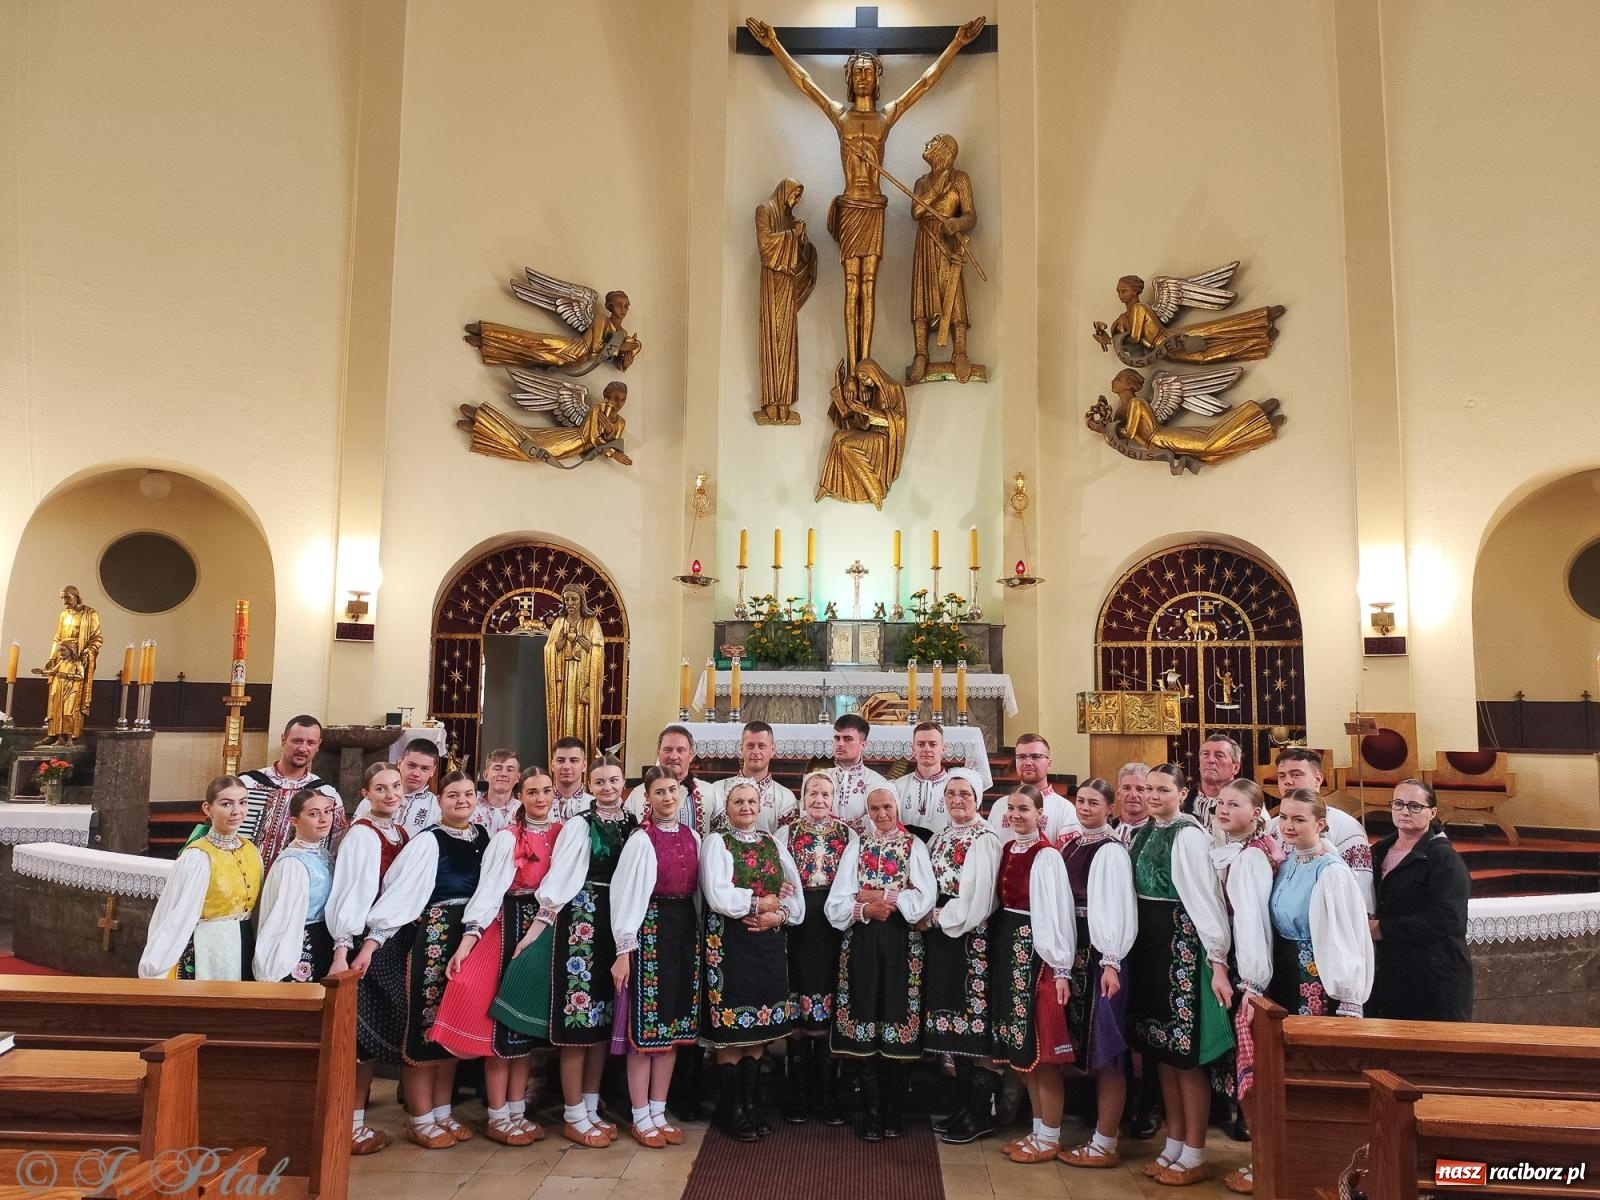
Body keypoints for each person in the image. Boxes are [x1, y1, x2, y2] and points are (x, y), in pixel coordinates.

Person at [350, 772, 491, 1149]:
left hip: (471, 938)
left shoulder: (483, 836)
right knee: (425, 1029)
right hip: (433, 939)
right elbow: (400, 894)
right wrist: (372, 942)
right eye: (452, 795)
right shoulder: (429, 841)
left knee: (451, 1031)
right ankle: (420, 1118)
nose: (462, 801)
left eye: (467, 794)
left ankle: (443, 1113)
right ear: (438, 799)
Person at [432, 766, 564, 1146]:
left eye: (546, 792)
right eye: (533, 792)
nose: (540, 799)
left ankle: (517, 1111)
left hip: (542, 929)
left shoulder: (561, 834)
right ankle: (497, 1115)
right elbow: (489, 892)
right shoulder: (508, 838)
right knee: (500, 1027)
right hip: (505, 927)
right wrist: (468, 941)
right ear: (520, 796)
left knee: (524, 1032)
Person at [520, 755, 637, 1148]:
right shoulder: (579, 824)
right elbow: (562, 875)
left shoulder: (632, 823)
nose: (607, 788)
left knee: (601, 1021)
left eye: (614, 781)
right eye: (600, 782)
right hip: (583, 922)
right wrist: (541, 922)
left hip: (617, 920)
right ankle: (572, 1113)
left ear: (623, 784)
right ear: (592, 783)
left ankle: (590, 1106)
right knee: (578, 1019)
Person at [1127, 764, 1233, 1187]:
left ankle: (1195, 1151)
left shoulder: (1187, 834)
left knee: (1186, 1058)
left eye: (1163, 789)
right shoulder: (1145, 830)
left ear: (1183, 793)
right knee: (1162, 1054)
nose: (1153, 795)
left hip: (1181, 947)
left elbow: (1203, 900)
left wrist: (1217, 958)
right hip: (1150, 947)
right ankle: (1173, 1144)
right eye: (1149, 789)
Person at [827, 786, 935, 1141]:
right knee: (863, 1019)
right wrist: (864, 908)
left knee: (897, 1017)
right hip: (862, 942)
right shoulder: (857, 846)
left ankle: (894, 1111)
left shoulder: (913, 846)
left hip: (902, 945)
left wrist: (878, 894)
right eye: (874, 808)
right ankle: (873, 1112)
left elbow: (923, 900)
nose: (882, 813)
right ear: (868, 811)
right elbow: (836, 904)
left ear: (897, 806)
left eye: (887, 806)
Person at [701, 780, 805, 1141]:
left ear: (760, 806)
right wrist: (760, 904)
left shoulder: (771, 842)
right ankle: (732, 1110)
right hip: (731, 944)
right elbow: (718, 894)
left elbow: (795, 894)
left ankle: (751, 1105)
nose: (746, 807)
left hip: (768, 946)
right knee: (733, 1030)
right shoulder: (717, 842)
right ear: (726, 808)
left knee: (760, 1026)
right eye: (738, 802)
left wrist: (780, 915)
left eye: (751, 801)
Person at [983, 785, 1076, 1164]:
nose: (1017, 815)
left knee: (1042, 1049)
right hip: (1009, 947)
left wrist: (1059, 968)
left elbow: (1055, 914)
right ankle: (1037, 1130)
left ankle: (1050, 1134)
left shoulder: (1047, 855)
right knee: (1023, 1051)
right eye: (1012, 809)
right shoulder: (1009, 849)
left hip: (1036, 953)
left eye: (1024, 809)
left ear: (1041, 814)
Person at [610, 767, 702, 1149]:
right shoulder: (640, 840)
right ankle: (639, 1113)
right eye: (659, 792)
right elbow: (625, 895)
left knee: (673, 1028)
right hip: (650, 931)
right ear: (647, 798)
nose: (667, 797)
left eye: (673, 790)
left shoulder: (693, 836)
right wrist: (623, 950)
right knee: (646, 1031)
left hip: (683, 931)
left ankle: (659, 1109)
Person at [1057, 779, 1138, 1170]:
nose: (1085, 807)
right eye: (1080, 800)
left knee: (1108, 1049)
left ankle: (1106, 1141)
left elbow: (1118, 907)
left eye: (1094, 802)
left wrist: (1111, 959)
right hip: (1076, 951)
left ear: (1111, 808)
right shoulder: (1074, 843)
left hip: (1103, 954)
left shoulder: (1110, 850)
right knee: (1083, 1044)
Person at [331, 761, 411, 1156]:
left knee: (371, 1040)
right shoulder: (362, 836)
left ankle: (356, 1122)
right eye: (381, 788)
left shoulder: (399, 831)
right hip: (364, 940)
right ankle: (348, 1125)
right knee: (357, 1041)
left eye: (396, 786)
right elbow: (352, 893)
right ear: (365, 794)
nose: (391, 794)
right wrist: (345, 948)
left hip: (388, 941)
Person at [1209, 779, 1283, 1195]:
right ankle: (1259, 1160)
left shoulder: (1252, 857)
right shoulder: (1238, 849)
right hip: (1241, 966)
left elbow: (1252, 923)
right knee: (1244, 1069)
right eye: (1220, 803)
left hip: (1252, 972)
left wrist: (1251, 984)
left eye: (1234, 804)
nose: (1223, 810)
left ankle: (1264, 1162)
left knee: (1254, 1072)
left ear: (1256, 813)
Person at [920, 769, 1001, 1145]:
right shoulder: (940, 836)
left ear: (978, 798)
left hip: (971, 937)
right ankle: (964, 1108)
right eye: (951, 793)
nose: (956, 800)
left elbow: (979, 899)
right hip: (943, 939)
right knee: (955, 1026)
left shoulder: (984, 839)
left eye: (964, 794)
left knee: (976, 1025)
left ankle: (980, 1114)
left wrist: (938, 918)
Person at [776, 772, 856, 1125]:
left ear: (834, 798)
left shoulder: (848, 835)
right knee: (797, 1003)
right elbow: (777, 874)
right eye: (813, 793)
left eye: (825, 793)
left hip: (831, 925)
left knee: (827, 1003)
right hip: (798, 924)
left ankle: (826, 1095)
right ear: (802, 795)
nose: (819, 799)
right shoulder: (786, 833)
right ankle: (797, 1093)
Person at [1369, 779, 1472, 1022]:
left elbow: (1450, 919)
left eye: (1415, 806)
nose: (1405, 811)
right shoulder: (1377, 852)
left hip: (1433, 975)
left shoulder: (1443, 859)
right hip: (1389, 972)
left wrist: (1383, 928)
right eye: (1398, 804)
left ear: (1432, 812)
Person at [140, 775, 261, 981]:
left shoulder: (251, 850)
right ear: (208, 809)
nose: (236, 811)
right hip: (209, 947)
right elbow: (178, 914)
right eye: (226, 804)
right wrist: (156, 964)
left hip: (245, 943)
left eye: (243, 802)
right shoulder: (198, 856)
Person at [1268, 789, 1374, 1022]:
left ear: (1320, 824)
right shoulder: (1287, 865)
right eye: (1283, 817)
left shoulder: (1331, 872)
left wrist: (1349, 997)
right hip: (1284, 972)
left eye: (1299, 819)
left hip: (1317, 975)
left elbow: (1346, 936)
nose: (1288, 825)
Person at [237, 715, 347, 870]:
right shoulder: (247, 783)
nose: (303, 748)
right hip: (245, 876)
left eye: (311, 743)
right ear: (283, 740)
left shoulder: (327, 794)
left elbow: (335, 847)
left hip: (298, 879)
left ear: (318, 746)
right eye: (297, 741)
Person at [252, 788, 338, 983]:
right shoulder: (293, 863)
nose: (324, 819)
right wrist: (270, 972)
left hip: (323, 941)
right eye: (314, 814)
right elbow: (280, 920)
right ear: (295, 821)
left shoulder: (323, 854)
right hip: (299, 945)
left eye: (328, 811)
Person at [1271, 749, 1374, 911]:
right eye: (1282, 776)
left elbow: (1361, 889)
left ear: (1318, 779)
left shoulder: (1346, 827)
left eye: (1296, 774)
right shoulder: (1272, 827)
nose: (1287, 781)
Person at [754, 177, 818, 425]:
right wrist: (793, 235)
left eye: (799, 197)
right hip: (772, 283)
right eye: (795, 195)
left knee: (788, 341)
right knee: (773, 338)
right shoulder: (764, 211)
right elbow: (765, 245)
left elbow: (802, 257)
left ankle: (785, 401)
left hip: (788, 285)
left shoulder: (791, 220)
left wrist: (802, 240)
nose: (796, 201)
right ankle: (771, 401)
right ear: (784, 192)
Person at [34, 585, 102, 745]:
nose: (65, 602)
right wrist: (52, 657)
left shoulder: (90, 614)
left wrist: (87, 652)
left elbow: (97, 638)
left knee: (71, 704)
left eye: (67, 597)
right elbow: (58, 638)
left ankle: (70, 735)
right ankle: (53, 733)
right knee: (55, 698)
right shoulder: (63, 615)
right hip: (61, 659)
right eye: (63, 598)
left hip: (77, 660)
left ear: (76, 596)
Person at [702, 721, 796, 834]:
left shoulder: (785, 797)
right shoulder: (717, 790)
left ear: (772, 750)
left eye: (762, 746)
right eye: (750, 746)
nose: (756, 752)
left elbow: (785, 842)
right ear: (741, 749)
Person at [987, 734, 1080, 844]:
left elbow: (1069, 857)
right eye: (1021, 757)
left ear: (1049, 763)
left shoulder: (1064, 809)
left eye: (1036, 756)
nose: (1027, 762)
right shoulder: (999, 806)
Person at [626, 725, 706, 831]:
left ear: (691, 755)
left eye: (680, 750)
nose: (673, 757)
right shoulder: (637, 794)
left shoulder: (710, 793)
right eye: (667, 750)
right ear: (658, 753)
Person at [354, 738, 441, 835]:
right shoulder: (373, 798)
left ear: (433, 771)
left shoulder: (436, 807)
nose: (416, 773)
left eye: (424, 769)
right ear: (400, 763)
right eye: (411, 766)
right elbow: (353, 835)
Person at [826, 714, 891, 833]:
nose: (840, 744)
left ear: (863, 745)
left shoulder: (877, 783)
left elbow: (884, 823)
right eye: (837, 738)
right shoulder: (822, 779)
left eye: (847, 739)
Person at [895, 721, 954, 838]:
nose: (927, 749)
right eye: (921, 744)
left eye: (932, 744)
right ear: (913, 749)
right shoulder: (898, 786)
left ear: (943, 749)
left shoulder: (954, 787)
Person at [1190, 734, 1242, 837]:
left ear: (1235, 768)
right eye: (1205, 754)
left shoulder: (1249, 803)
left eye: (1219, 755)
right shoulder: (1181, 803)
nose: (1211, 760)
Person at [471, 748, 521, 834]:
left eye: (510, 770)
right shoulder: (469, 807)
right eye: (497, 768)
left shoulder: (524, 812)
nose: (503, 774)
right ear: (485, 775)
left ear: (517, 778)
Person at [550, 736, 593, 820]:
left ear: (584, 766)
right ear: (552, 766)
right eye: (560, 761)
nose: (566, 766)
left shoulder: (595, 805)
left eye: (574, 761)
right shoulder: (540, 804)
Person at [1115, 762, 1151, 846]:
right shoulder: (1106, 828)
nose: (1133, 795)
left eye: (1140, 789)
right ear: (1118, 794)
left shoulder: (1159, 832)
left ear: (1149, 795)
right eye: (1127, 788)